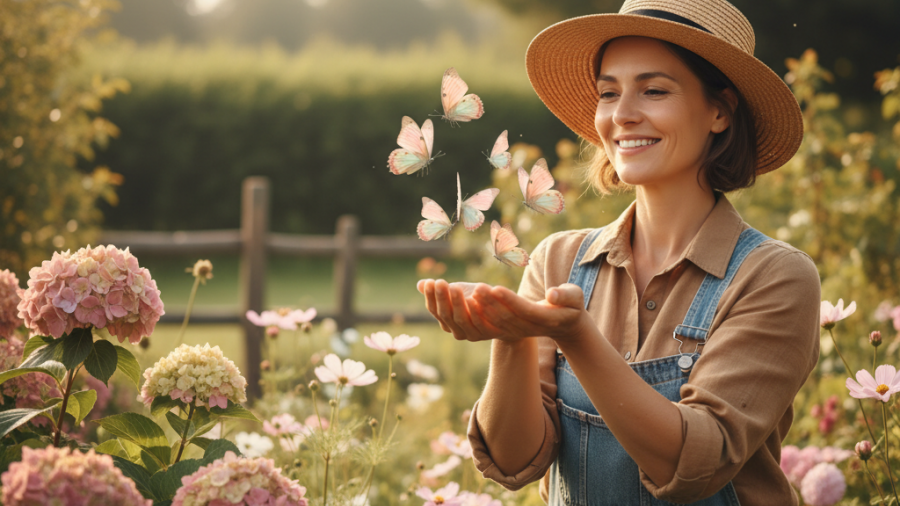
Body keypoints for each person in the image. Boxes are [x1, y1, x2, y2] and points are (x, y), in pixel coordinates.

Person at [417, 0, 822, 504]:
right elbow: (514, 461)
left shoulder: (773, 277)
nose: (623, 115)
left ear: (720, 110)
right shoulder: (558, 259)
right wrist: (512, 334)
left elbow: (695, 464)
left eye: (653, 90)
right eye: (608, 93)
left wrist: (577, 336)